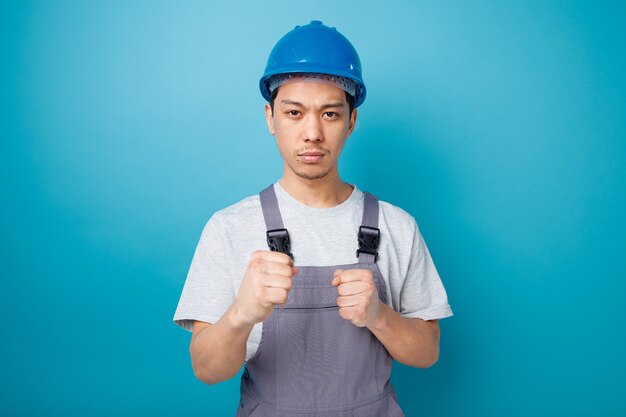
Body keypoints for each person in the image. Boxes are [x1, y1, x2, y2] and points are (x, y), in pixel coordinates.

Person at [173, 20, 453, 417]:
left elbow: (427, 352)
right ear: (270, 118)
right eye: (294, 112)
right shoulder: (229, 228)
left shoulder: (397, 226)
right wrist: (242, 313)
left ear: (351, 122)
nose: (312, 133)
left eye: (330, 114)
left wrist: (379, 316)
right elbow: (206, 369)